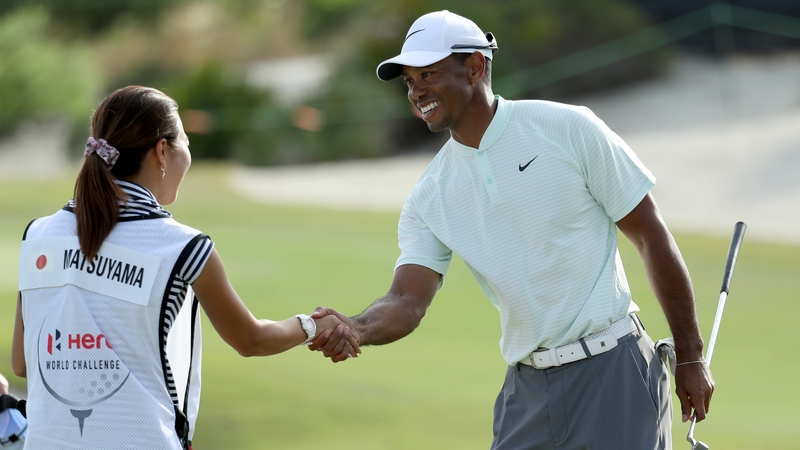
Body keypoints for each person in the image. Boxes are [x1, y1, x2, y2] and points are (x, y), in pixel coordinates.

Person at [309, 10, 714, 450]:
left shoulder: (567, 128)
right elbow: (406, 300)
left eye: (427, 73)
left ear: (476, 67)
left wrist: (690, 354)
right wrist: (356, 327)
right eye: (409, 81)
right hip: (526, 392)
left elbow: (650, 235)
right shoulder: (429, 196)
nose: (417, 90)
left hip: (611, 369)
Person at [11, 86, 359, 450]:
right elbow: (250, 339)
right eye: (186, 142)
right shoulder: (183, 246)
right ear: (162, 151)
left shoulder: (38, 234)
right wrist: (311, 325)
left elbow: (22, 363)